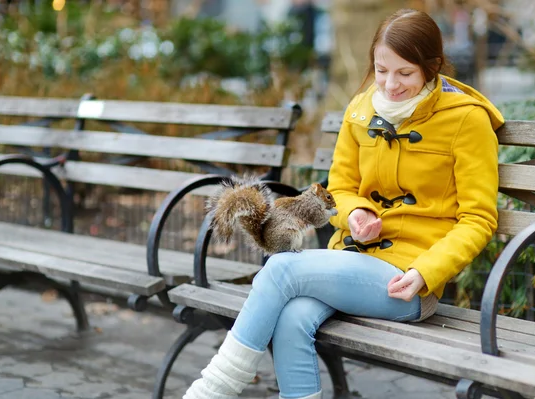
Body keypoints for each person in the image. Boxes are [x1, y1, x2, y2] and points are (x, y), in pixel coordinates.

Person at [183, 8, 504, 399]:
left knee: (282, 270)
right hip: (351, 259)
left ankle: (211, 391)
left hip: (408, 282)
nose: (390, 84)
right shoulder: (361, 109)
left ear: (432, 66)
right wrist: (354, 213)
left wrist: (426, 272)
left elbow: (478, 218)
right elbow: (341, 186)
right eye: (381, 70)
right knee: (292, 317)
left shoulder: (466, 121)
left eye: (405, 73)